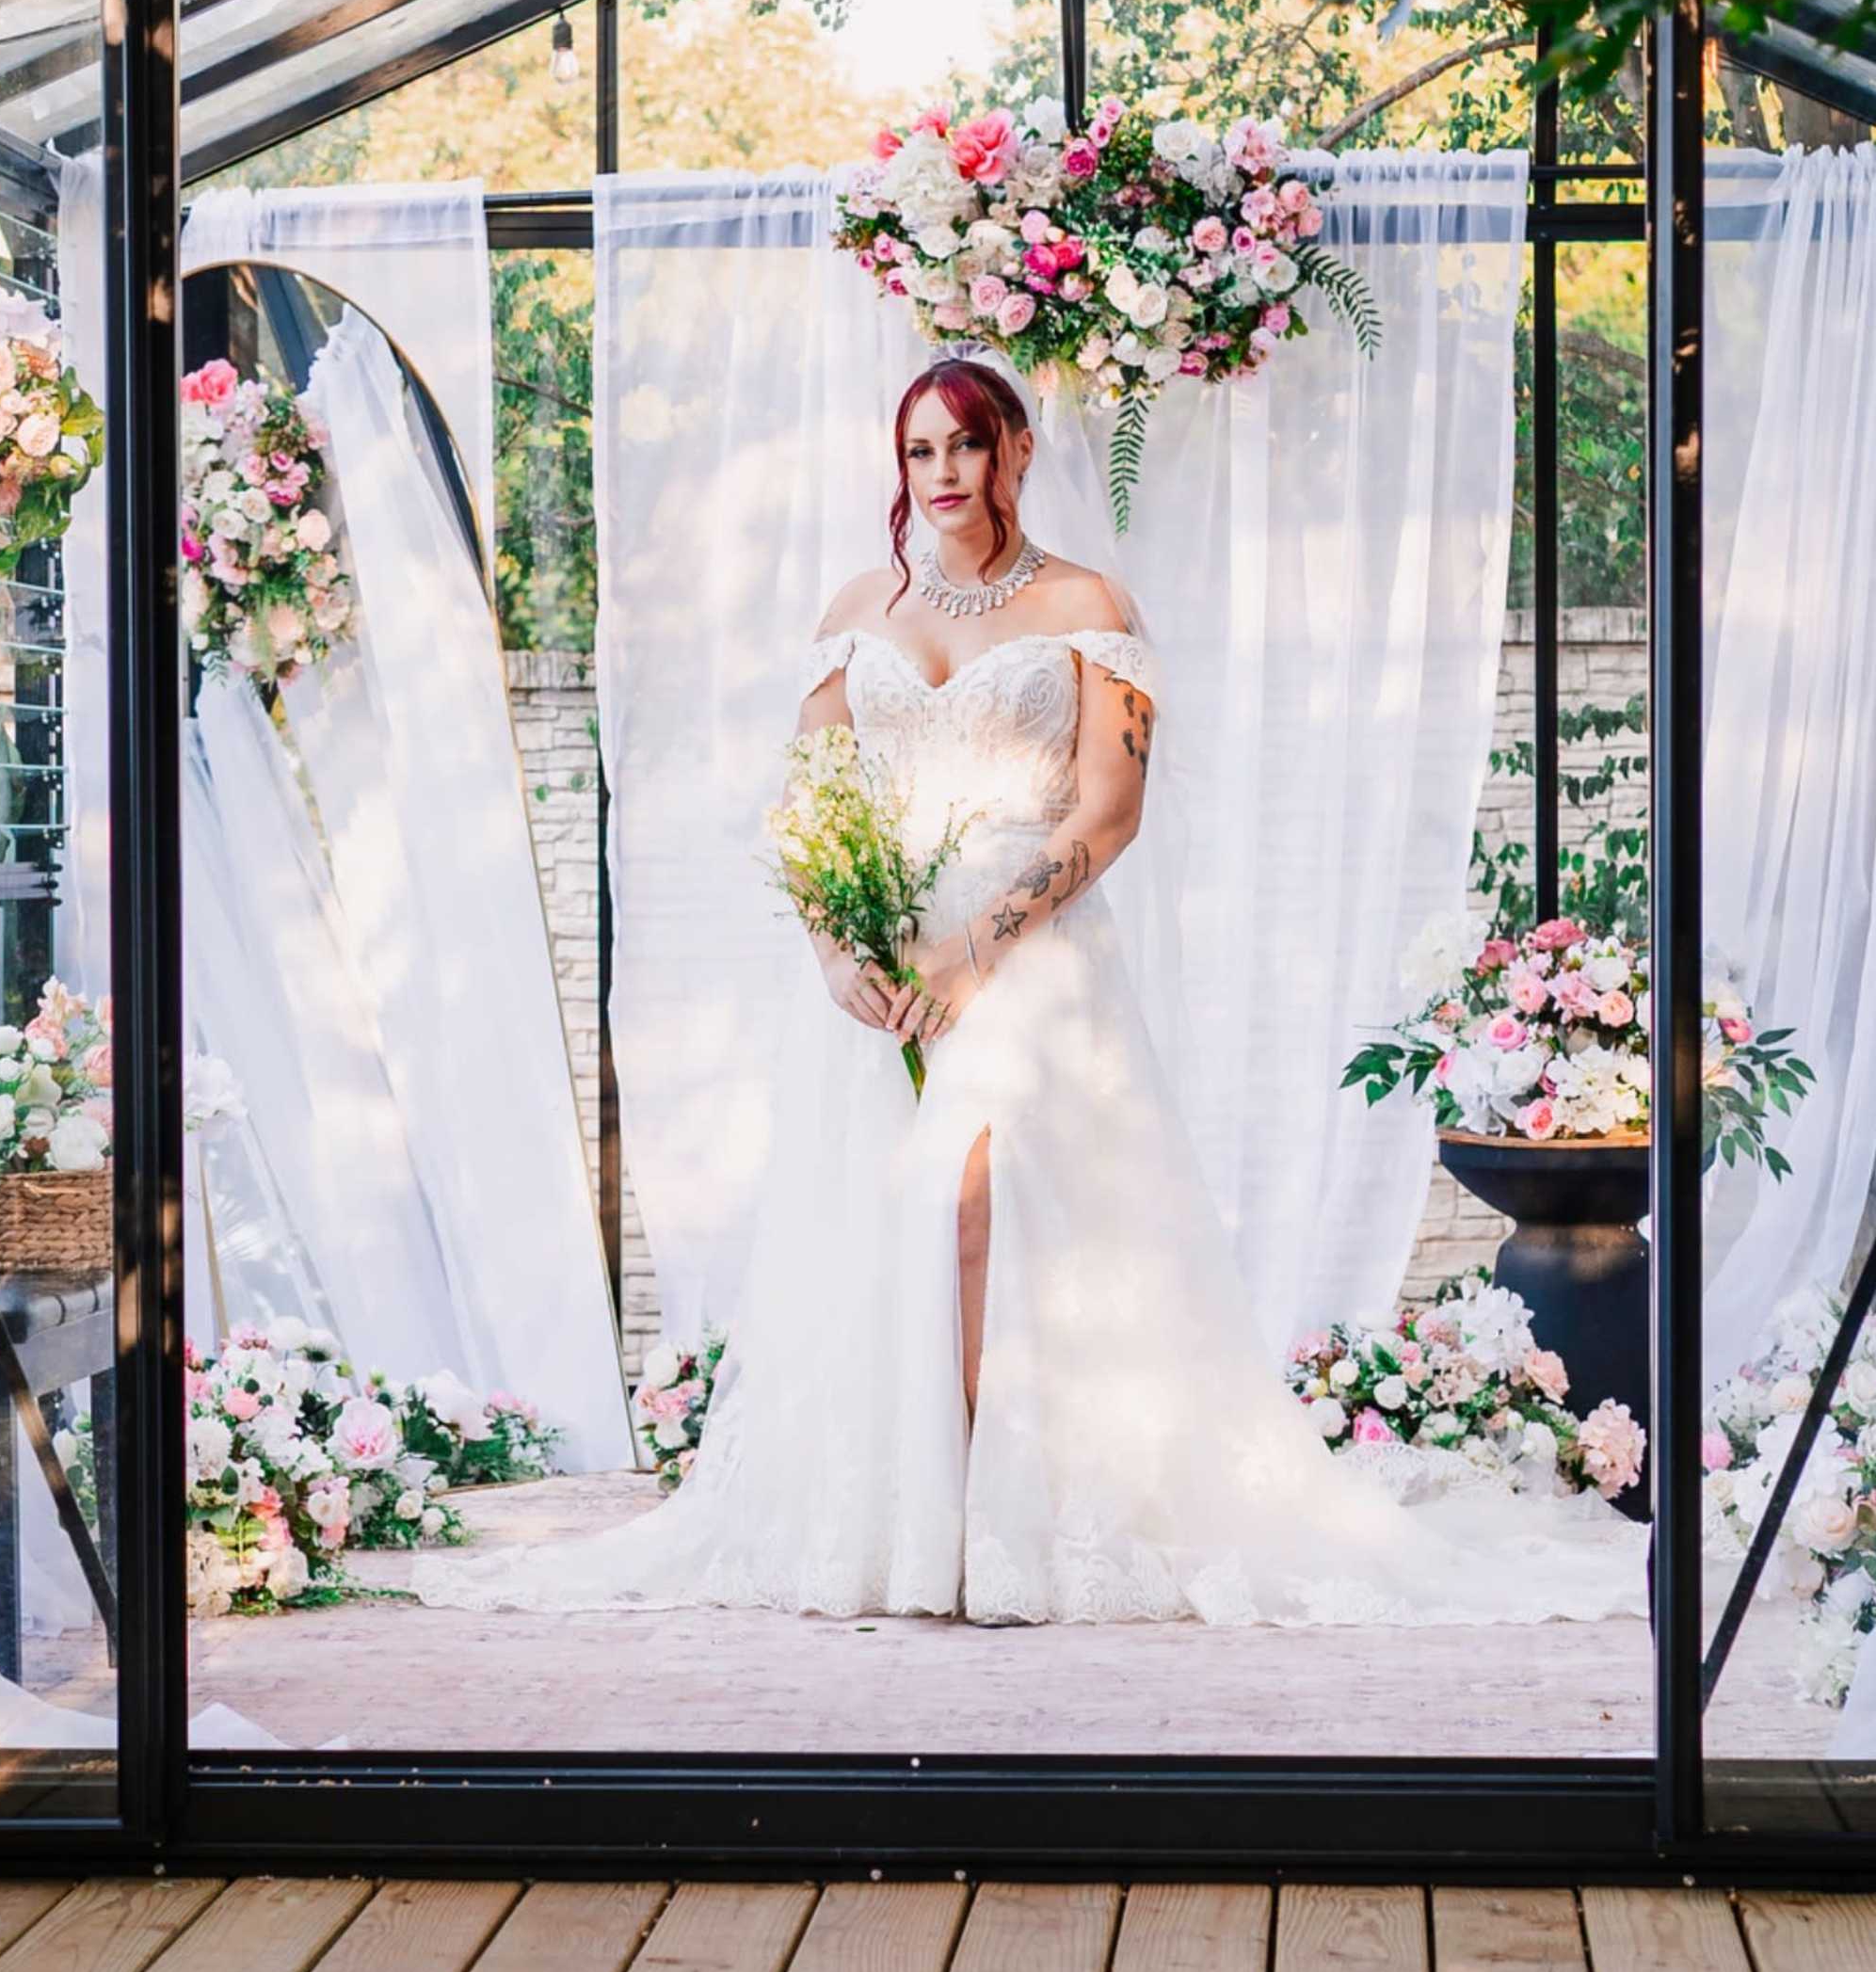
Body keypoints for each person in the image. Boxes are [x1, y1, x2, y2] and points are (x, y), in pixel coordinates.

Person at [432, 354, 1637, 1629]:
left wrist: (980, 946)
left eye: (965, 443)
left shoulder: (1082, 604)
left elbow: (1109, 812)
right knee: (892, 1227)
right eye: (919, 451)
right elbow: (809, 804)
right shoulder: (859, 606)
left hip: (1032, 960)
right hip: (889, 963)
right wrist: (840, 952)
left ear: (1014, 450)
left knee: (977, 1204)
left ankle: (997, 1518)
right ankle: (910, 1512)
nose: (942, 472)